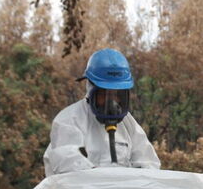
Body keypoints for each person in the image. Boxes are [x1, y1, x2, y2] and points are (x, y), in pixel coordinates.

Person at [44, 48, 160, 176]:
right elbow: (69, 165)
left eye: (117, 94)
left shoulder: (129, 124)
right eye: (104, 94)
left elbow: (149, 164)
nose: (112, 102)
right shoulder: (69, 121)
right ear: (91, 89)